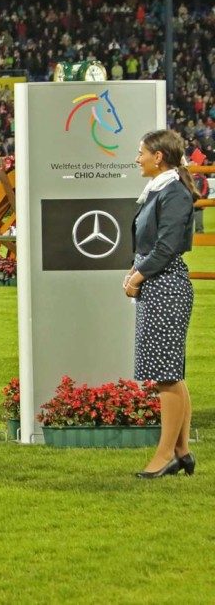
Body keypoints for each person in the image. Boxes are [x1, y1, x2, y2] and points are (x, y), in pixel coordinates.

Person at [124, 129, 198, 478]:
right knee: (170, 374)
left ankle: (165, 453)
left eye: (141, 153)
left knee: (166, 376)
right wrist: (135, 270)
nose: (137, 158)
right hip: (158, 283)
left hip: (166, 285)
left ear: (158, 157)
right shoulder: (162, 189)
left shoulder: (174, 193)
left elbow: (166, 247)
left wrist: (137, 276)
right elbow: (148, 243)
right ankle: (182, 450)